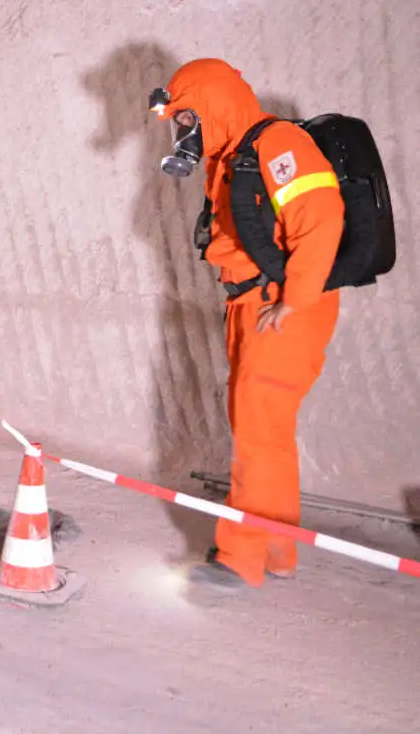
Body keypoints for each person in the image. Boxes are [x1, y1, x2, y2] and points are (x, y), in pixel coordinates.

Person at [150, 58, 345, 589]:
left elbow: (321, 218)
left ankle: (240, 557)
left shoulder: (277, 143)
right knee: (263, 431)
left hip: (281, 303)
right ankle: (278, 549)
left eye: (188, 118)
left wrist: (294, 301)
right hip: (249, 302)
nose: (185, 132)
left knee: (260, 430)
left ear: (213, 102)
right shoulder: (232, 157)